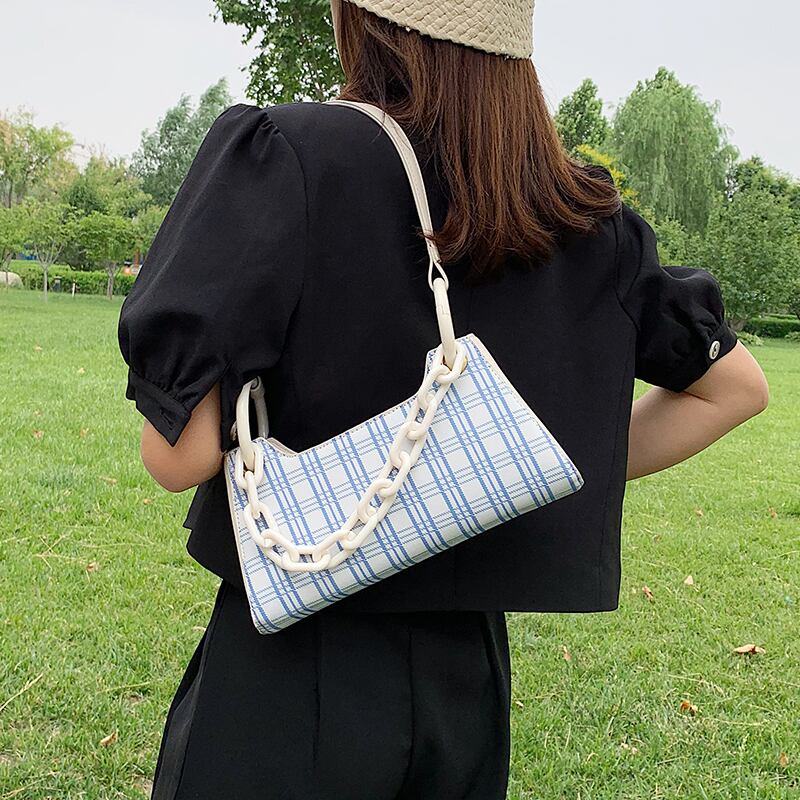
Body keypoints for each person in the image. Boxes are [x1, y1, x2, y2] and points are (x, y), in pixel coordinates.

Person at [117, 1, 769, 797]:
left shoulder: (286, 154)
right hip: (468, 686)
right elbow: (735, 389)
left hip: (293, 668)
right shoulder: (578, 212)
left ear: (360, 20)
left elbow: (177, 458)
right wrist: (518, 465)